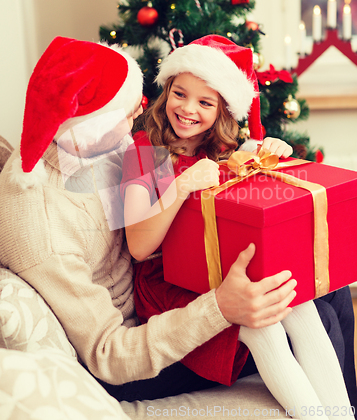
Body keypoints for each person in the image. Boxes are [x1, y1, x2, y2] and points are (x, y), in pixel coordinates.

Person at [0, 35, 300, 402]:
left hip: (190, 275)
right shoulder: (138, 155)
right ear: (89, 120)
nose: (138, 114)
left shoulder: (103, 144)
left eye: (205, 102)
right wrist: (220, 307)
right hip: (145, 326)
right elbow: (113, 341)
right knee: (284, 321)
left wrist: (258, 151)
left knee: (314, 303)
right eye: (126, 111)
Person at [121, 35, 354, 418]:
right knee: (263, 329)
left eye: (205, 102)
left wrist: (267, 158)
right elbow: (138, 247)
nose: (188, 109)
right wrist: (180, 187)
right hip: (169, 285)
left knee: (296, 306)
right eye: (180, 94)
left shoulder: (222, 150)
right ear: (166, 91)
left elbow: (252, 213)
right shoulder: (145, 148)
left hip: (219, 274)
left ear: (222, 110)